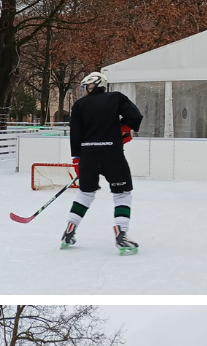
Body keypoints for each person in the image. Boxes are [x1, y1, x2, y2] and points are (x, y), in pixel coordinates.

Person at [61, 71, 143, 255]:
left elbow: (76, 134)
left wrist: (77, 160)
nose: (83, 91)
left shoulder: (79, 105)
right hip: (112, 153)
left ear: (93, 85)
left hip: (88, 154)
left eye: (85, 87)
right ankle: (121, 233)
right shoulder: (116, 98)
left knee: (85, 194)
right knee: (122, 194)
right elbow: (135, 117)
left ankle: (70, 229)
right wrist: (121, 130)